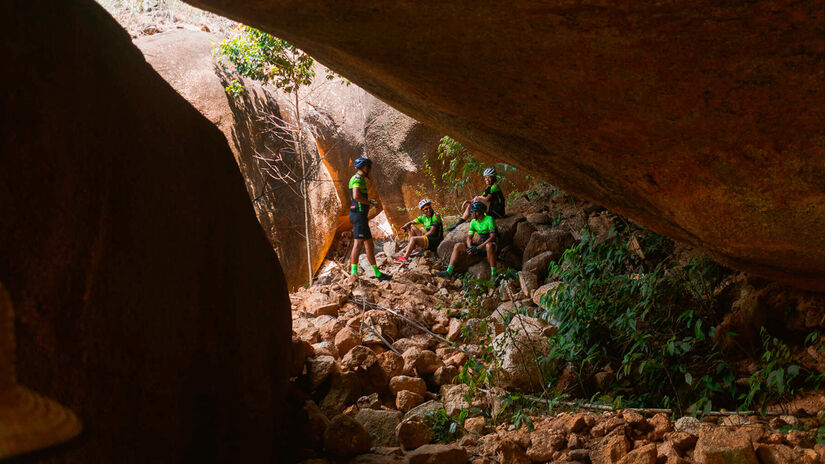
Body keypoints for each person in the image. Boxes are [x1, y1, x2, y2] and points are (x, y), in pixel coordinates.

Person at [349, 157, 392, 281]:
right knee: (358, 244)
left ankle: (377, 273)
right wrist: (369, 202)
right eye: (369, 168)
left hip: (360, 215)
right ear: (365, 167)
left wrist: (369, 202)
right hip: (358, 215)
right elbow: (356, 196)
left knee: (369, 245)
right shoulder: (357, 178)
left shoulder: (358, 178)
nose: (370, 171)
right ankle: (354, 273)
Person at [436, 201, 499, 279]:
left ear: (478, 212)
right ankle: (449, 271)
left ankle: (494, 275)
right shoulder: (473, 222)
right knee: (458, 246)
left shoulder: (489, 219)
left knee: (488, 246)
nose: (471, 214)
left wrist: (478, 247)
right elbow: (469, 237)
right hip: (480, 246)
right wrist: (470, 247)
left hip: (490, 245)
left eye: (473, 212)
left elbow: (492, 237)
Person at [447, 167, 505, 231]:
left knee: (477, 200)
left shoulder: (495, 186)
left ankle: (473, 220)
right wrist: (467, 201)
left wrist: (477, 198)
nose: (487, 179)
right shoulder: (488, 188)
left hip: (498, 212)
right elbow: (480, 199)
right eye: (485, 177)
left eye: (489, 177)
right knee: (471, 204)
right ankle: (459, 223)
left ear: (493, 177)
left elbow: (486, 199)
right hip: (491, 210)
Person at [394, 199, 444, 264]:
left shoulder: (435, 216)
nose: (428, 210)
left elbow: (432, 232)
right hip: (429, 237)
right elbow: (412, 222)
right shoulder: (423, 217)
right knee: (411, 226)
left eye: (429, 207)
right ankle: (414, 249)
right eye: (426, 209)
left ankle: (405, 258)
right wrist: (405, 226)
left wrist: (422, 237)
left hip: (436, 240)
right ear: (422, 210)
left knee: (413, 239)